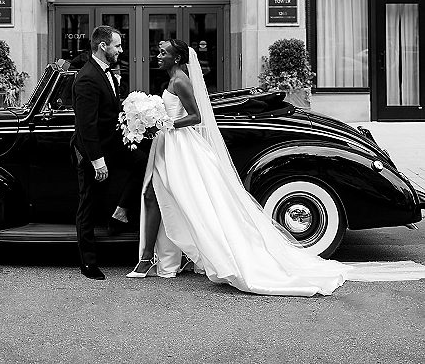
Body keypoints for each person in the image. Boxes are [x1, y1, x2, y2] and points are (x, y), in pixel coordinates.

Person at [126, 39, 352, 296]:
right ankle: (170, 257)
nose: (158, 56)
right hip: (169, 144)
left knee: (184, 199)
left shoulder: (179, 80)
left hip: (180, 146)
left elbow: (196, 116)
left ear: (176, 59)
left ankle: (171, 256)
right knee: (163, 197)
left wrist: (165, 123)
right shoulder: (172, 79)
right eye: (159, 52)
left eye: (163, 53)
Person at [72, 25, 147, 281]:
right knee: (89, 206)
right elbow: (86, 126)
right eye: (117, 45)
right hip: (96, 153)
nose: (121, 50)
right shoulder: (86, 78)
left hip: (114, 145)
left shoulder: (105, 72)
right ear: (103, 46)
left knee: (145, 165)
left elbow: (110, 113)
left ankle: (121, 212)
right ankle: (88, 263)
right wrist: (97, 162)